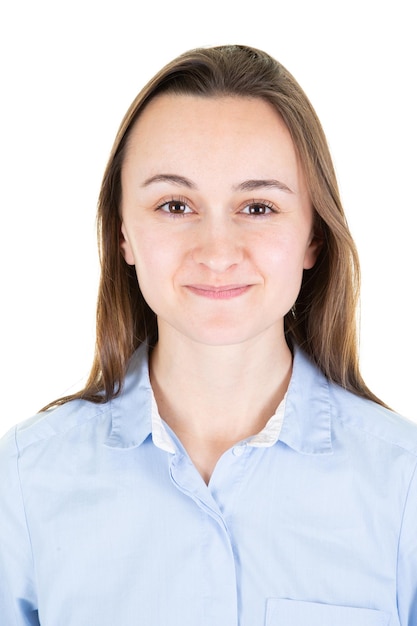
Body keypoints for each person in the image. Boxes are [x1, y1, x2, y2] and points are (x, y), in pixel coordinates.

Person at [0, 44, 416, 626]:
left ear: (313, 237)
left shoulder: (404, 485)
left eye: (258, 207)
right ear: (123, 234)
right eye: (174, 205)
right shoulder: (23, 481)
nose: (217, 253)